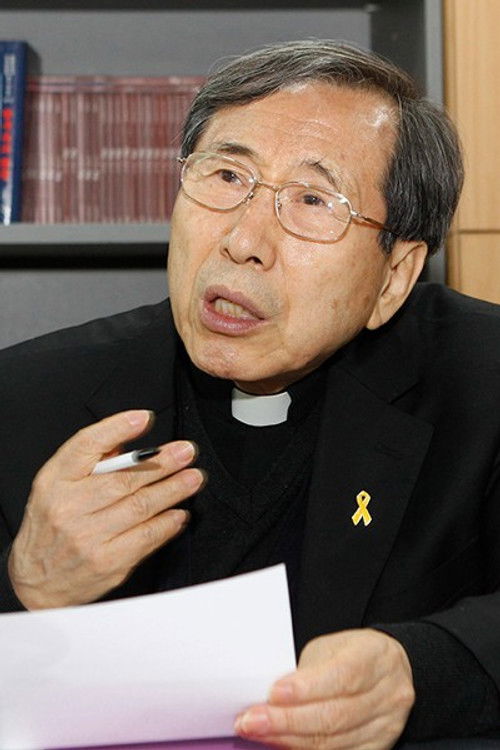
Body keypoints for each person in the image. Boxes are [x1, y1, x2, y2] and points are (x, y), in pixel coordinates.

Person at [1, 38, 499, 749]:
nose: (243, 240)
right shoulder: (27, 399)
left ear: (394, 277)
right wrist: (28, 590)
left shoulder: (483, 382)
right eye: (228, 175)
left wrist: (421, 670)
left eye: (313, 200)